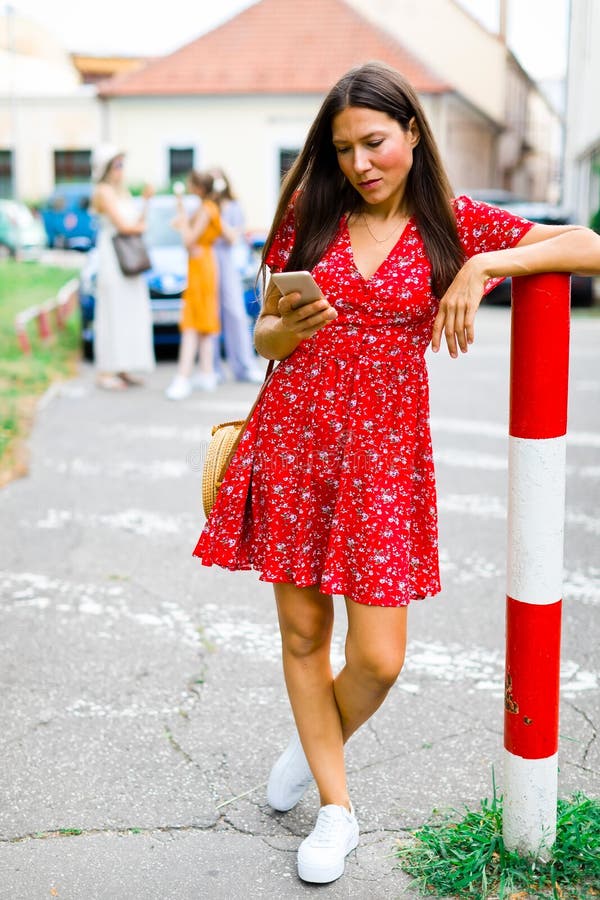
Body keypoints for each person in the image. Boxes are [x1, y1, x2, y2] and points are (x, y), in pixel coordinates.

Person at [193, 62, 600, 885]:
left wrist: (488, 268)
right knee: (305, 636)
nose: (360, 163)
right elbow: (267, 341)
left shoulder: (452, 222)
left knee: (378, 658)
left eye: (374, 142)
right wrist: (282, 330)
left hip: (383, 459)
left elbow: (587, 245)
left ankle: (314, 749)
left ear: (412, 132)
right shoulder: (308, 218)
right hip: (295, 440)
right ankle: (336, 811)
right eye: (343, 149)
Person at [91, 145, 155, 390]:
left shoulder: (122, 192)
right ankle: (106, 370)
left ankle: (124, 367)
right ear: (106, 168)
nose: (121, 170)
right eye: (117, 165)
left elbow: (138, 223)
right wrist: (137, 226)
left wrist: (146, 202)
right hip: (113, 255)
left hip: (127, 255)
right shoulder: (103, 191)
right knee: (113, 309)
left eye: (121, 164)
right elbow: (126, 227)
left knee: (130, 309)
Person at [166, 171, 223, 400]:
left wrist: (181, 217)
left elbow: (188, 239)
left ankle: (183, 376)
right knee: (202, 319)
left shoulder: (207, 209)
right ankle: (207, 372)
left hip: (202, 266)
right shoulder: (205, 207)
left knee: (192, 320)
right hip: (201, 264)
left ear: (199, 188)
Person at [209, 167, 264, 384]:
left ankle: (243, 365)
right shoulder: (207, 207)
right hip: (208, 261)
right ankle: (212, 368)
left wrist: (216, 217)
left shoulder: (232, 206)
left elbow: (233, 237)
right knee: (210, 315)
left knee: (235, 314)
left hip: (227, 261)